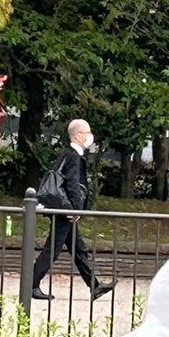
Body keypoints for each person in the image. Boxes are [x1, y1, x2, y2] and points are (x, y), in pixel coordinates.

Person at [31, 119, 116, 300]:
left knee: (78, 249)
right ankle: (31, 284)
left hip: (63, 210)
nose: (90, 136)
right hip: (65, 212)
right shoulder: (73, 157)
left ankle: (95, 286)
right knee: (52, 249)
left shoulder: (67, 155)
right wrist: (77, 210)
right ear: (78, 135)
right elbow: (72, 185)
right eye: (87, 133)